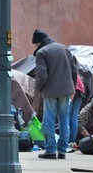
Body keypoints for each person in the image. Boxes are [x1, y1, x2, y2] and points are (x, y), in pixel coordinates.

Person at [32, 29, 77, 159]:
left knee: (49, 121)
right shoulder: (64, 49)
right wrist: (72, 88)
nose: (35, 47)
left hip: (50, 91)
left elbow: (42, 74)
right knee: (64, 121)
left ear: (39, 42)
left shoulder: (41, 52)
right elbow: (74, 70)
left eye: (35, 44)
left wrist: (39, 89)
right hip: (66, 91)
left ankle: (51, 150)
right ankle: (62, 151)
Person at [67, 74, 85, 152]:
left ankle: (66, 142)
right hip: (80, 91)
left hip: (70, 90)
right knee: (74, 118)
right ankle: (72, 141)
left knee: (66, 117)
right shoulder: (72, 67)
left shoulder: (65, 68)